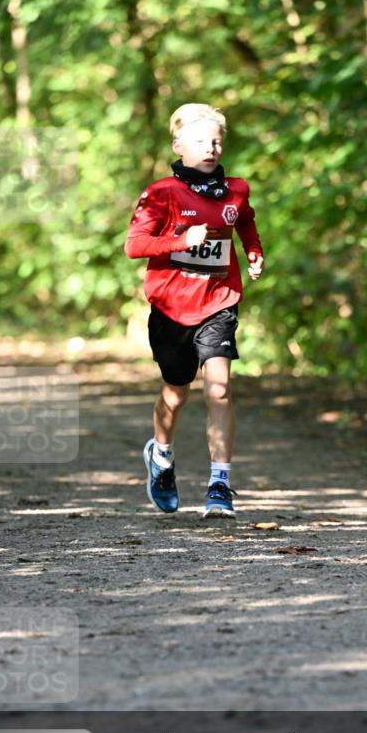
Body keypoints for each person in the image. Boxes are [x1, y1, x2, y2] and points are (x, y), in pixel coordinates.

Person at [124, 103, 264, 518]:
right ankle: (161, 457)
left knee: (219, 388)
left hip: (219, 301)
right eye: (202, 141)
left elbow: (245, 221)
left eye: (218, 141)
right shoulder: (161, 193)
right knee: (177, 393)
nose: (212, 148)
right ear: (179, 145)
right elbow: (134, 246)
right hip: (170, 305)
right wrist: (180, 242)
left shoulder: (236, 189)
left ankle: (219, 483)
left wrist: (253, 251)